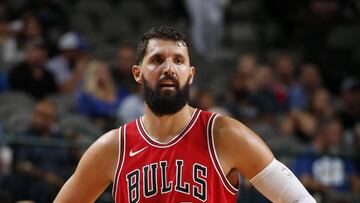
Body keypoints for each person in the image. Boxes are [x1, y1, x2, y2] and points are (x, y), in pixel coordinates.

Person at [54, 26, 315, 202]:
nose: (169, 68)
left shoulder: (224, 135)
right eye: (157, 60)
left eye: (178, 60)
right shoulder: (113, 147)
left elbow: (300, 199)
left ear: (190, 75)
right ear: (137, 73)